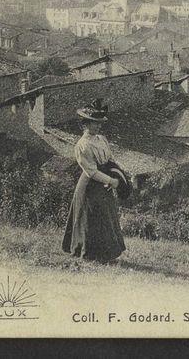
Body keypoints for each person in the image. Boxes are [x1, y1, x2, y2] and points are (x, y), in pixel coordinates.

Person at [61, 99, 128, 263]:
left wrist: (120, 173)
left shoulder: (102, 139)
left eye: (99, 123)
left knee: (106, 216)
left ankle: (106, 254)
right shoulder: (82, 145)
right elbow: (90, 171)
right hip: (90, 185)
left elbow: (110, 159)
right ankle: (89, 253)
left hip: (105, 181)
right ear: (85, 124)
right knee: (91, 217)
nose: (98, 127)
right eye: (94, 123)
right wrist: (112, 181)